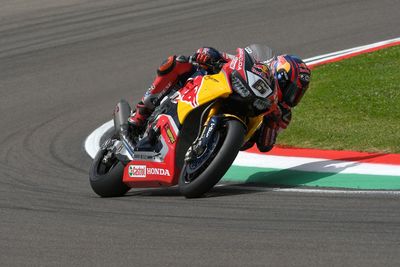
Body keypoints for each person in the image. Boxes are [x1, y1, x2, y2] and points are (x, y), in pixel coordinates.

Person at [128, 47, 311, 152]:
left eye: (297, 94)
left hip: (237, 131)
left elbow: (265, 146)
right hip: (213, 87)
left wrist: (272, 122)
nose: (292, 97)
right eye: (291, 90)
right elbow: (224, 57)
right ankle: (141, 114)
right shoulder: (257, 69)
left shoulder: (284, 114)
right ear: (279, 75)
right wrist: (207, 55)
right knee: (177, 62)